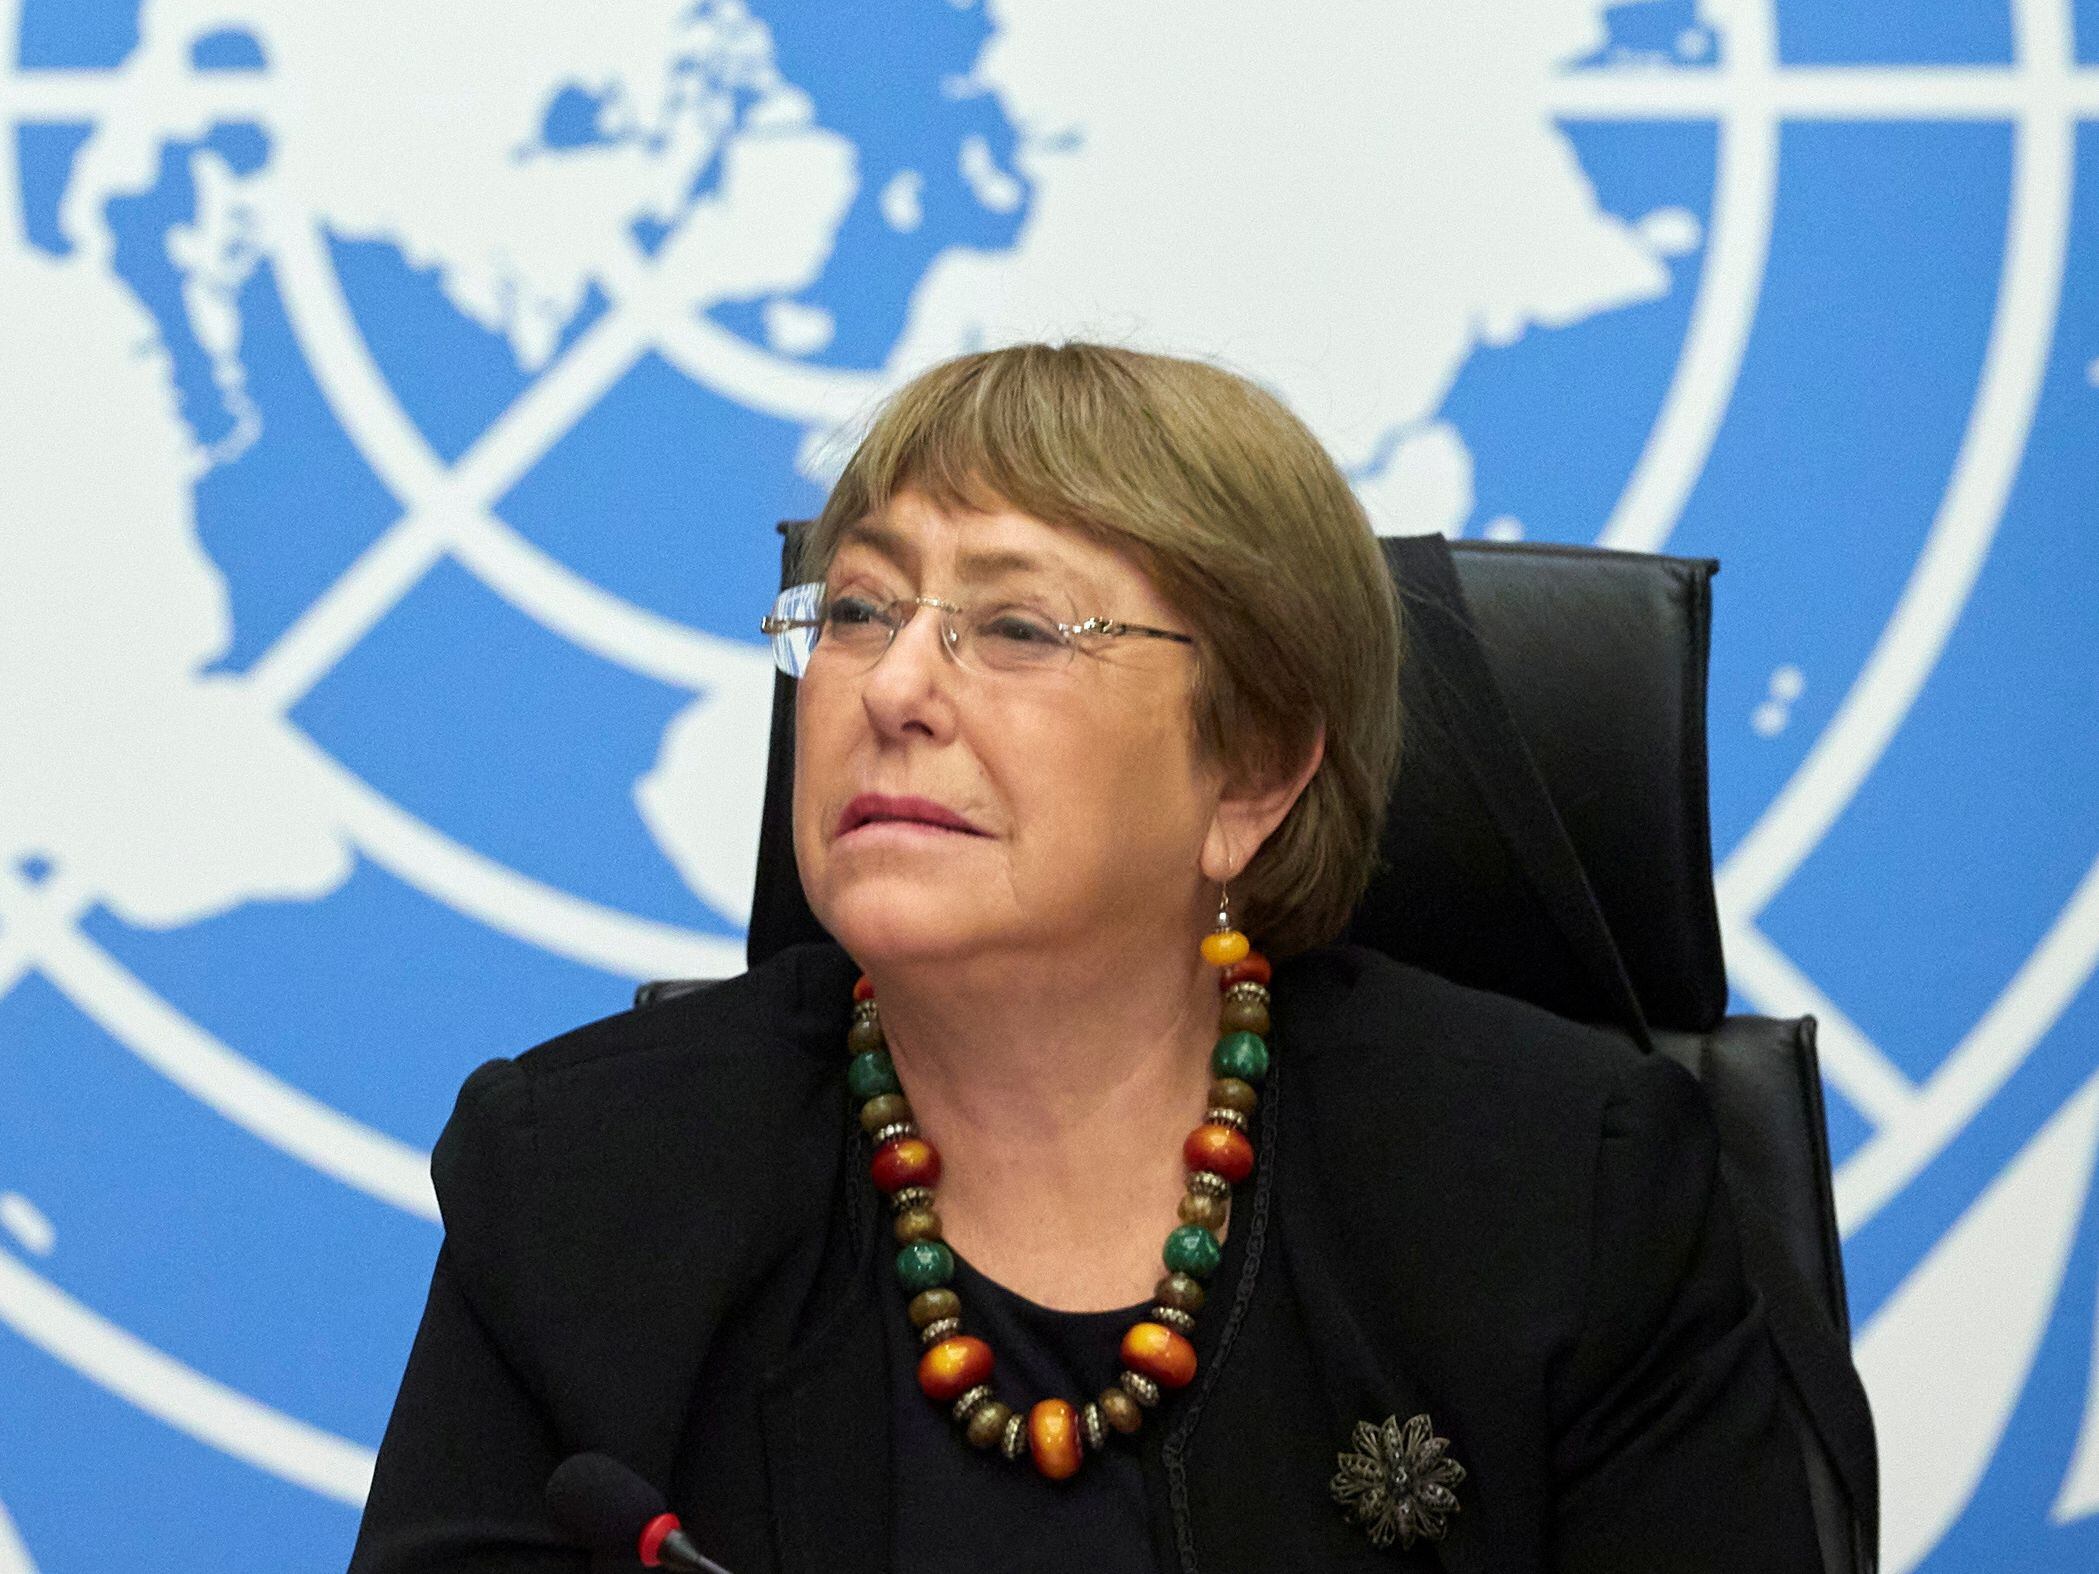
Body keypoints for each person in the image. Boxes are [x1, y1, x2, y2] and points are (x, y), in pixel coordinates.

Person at [350, 343, 1823, 1572]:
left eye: (1016, 624)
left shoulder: (1561, 1187)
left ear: (1249, 773)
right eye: (857, 610)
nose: (898, 684)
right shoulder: (581, 1182)